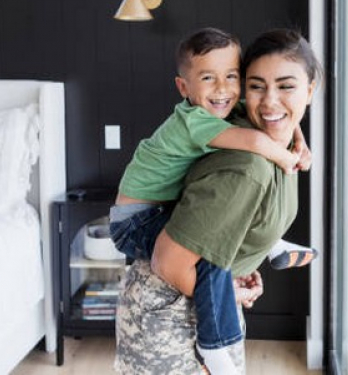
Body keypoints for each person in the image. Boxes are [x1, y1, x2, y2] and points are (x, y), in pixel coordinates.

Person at [110, 28, 318, 373]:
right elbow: (170, 262)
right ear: (184, 87)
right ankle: (215, 348)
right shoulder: (242, 153)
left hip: (197, 301)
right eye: (257, 86)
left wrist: (297, 141)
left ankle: (271, 246)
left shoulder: (240, 117)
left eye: (286, 86)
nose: (269, 101)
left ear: (310, 90)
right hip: (169, 304)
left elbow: (218, 228)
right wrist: (226, 295)